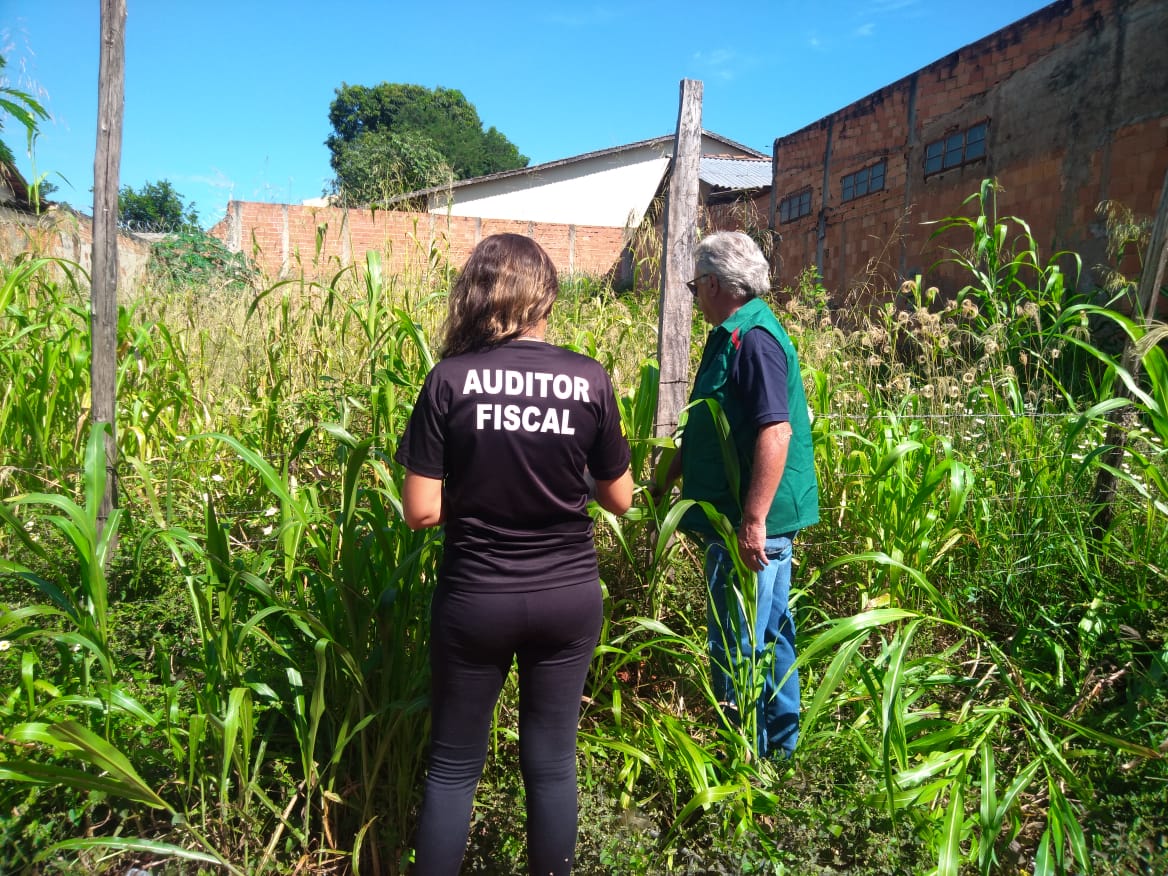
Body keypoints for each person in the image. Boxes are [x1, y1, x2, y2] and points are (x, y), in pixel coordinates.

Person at [395, 233, 633, 875]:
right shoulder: (588, 378)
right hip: (567, 596)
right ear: (545, 296)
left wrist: (476, 490)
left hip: (477, 597)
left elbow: (420, 510)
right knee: (552, 762)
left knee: (452, 767)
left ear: (475, 295)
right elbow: (621, 500)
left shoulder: (449, 380)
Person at [655, 231, 819, 760]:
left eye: (693, 285)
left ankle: (744, 761)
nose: (694, 295)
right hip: (736, 520)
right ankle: (777, 754)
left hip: (746, 527)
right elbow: (705, 425)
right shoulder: (732, 334)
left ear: (714, 282)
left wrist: (753, 521)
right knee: (768, 635)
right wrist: (661, 484)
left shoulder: (755, 340)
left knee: (739, 643)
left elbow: (776, 431)